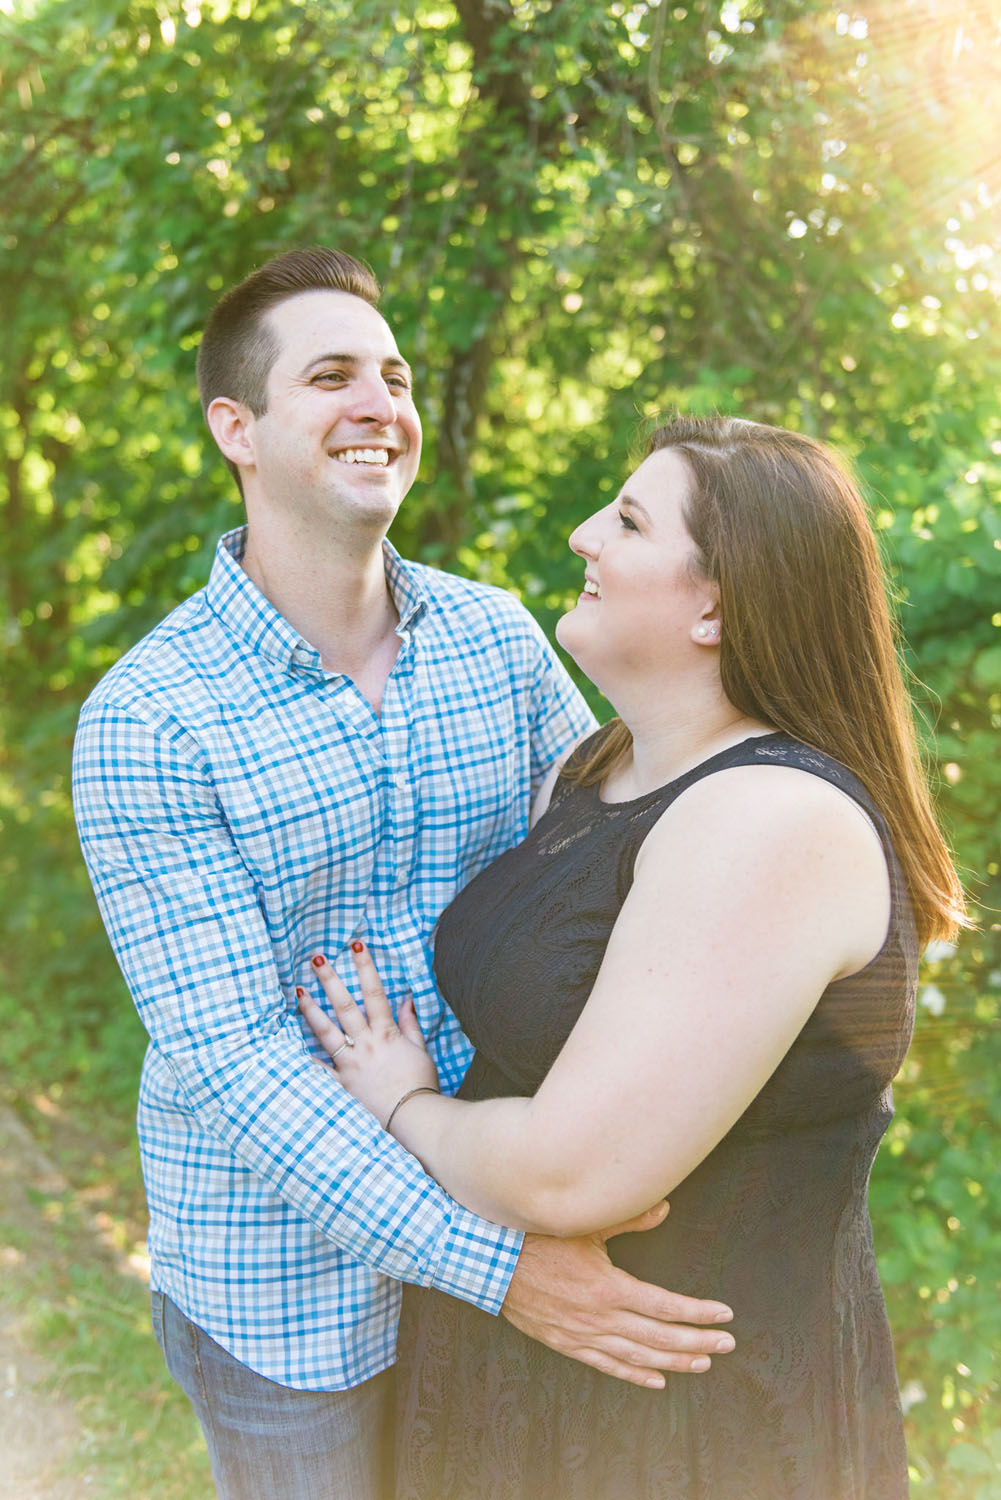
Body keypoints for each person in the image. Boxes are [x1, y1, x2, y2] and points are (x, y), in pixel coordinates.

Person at [71, 250, 736, 1500]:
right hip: (292, 1295)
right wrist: (498, 1265)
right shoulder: (150, 722)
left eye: (394, 374)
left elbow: (610, 865)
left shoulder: (495, 639)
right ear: (238, 429)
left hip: (516, 1202)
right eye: (330, 377)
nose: (379, 401)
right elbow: (234, 1061)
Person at [300, 414, 968, 1499]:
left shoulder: (768, 821)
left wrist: (402, 1103)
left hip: (688, 1430)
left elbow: (571, 1173)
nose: (579, 536)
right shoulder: (602, 766)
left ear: (717, 602)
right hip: (518, 1385)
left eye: (625, 520)